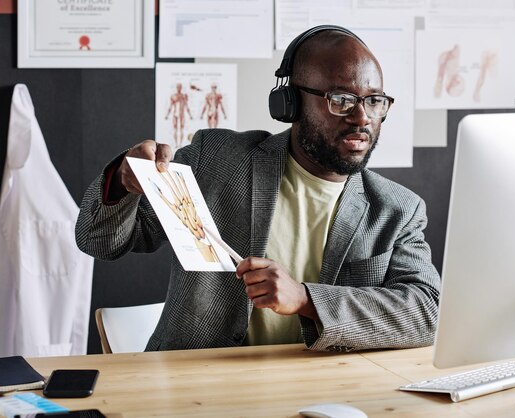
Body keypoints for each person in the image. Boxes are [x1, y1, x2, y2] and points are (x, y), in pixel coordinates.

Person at [75, 26, 441, 352]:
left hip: (324, 389)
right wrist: (122, 184)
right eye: (341, 100)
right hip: (196, 387)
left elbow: (426, 313)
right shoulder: (216, 161)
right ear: (291, 103)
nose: (362, 117)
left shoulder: (397, 209)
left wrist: (307, 299)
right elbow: (99, 241)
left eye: (374, 101)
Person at [164, 82, 193, 148]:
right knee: (175, 129)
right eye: (178, 87)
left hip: (182, 114)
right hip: (175, 114)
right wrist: (167, 115)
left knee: (181, 129)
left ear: (181, 88)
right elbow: (171, 106)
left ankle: (180, 144)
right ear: (177, 88)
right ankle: (177, 144)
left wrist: (190, 115)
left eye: (180, 87)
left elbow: (186, 106)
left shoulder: (183, 96)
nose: (179, 88)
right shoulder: (173, 96)